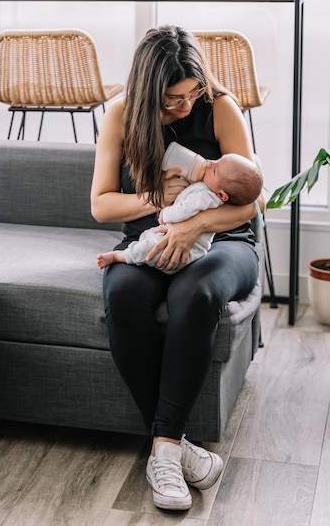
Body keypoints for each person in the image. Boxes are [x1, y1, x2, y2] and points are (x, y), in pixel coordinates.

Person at [90, 25, 265, 511]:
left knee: (195, 293)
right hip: (148, 239)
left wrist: (196, 226)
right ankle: (173, 448)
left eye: (192, 94)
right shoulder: (122, 115)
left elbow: (254, 200)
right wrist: (152, 199)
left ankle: (162, 452)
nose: (185, 106)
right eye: (172, 99)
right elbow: (101, 206)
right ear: (149, 91)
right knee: (123, 293)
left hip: (225, 241)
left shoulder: (220, 107)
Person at [96, 149, 263, 273]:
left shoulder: (206, 197)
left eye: (215, 169)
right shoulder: (206, 186)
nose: (211, 162)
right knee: (149, 240)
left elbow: (184, 210)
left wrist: (165, 214)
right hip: (169, 236)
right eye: (217, 160)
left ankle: (121, 256)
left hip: (184, 250)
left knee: (148, 248)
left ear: (222, 195)